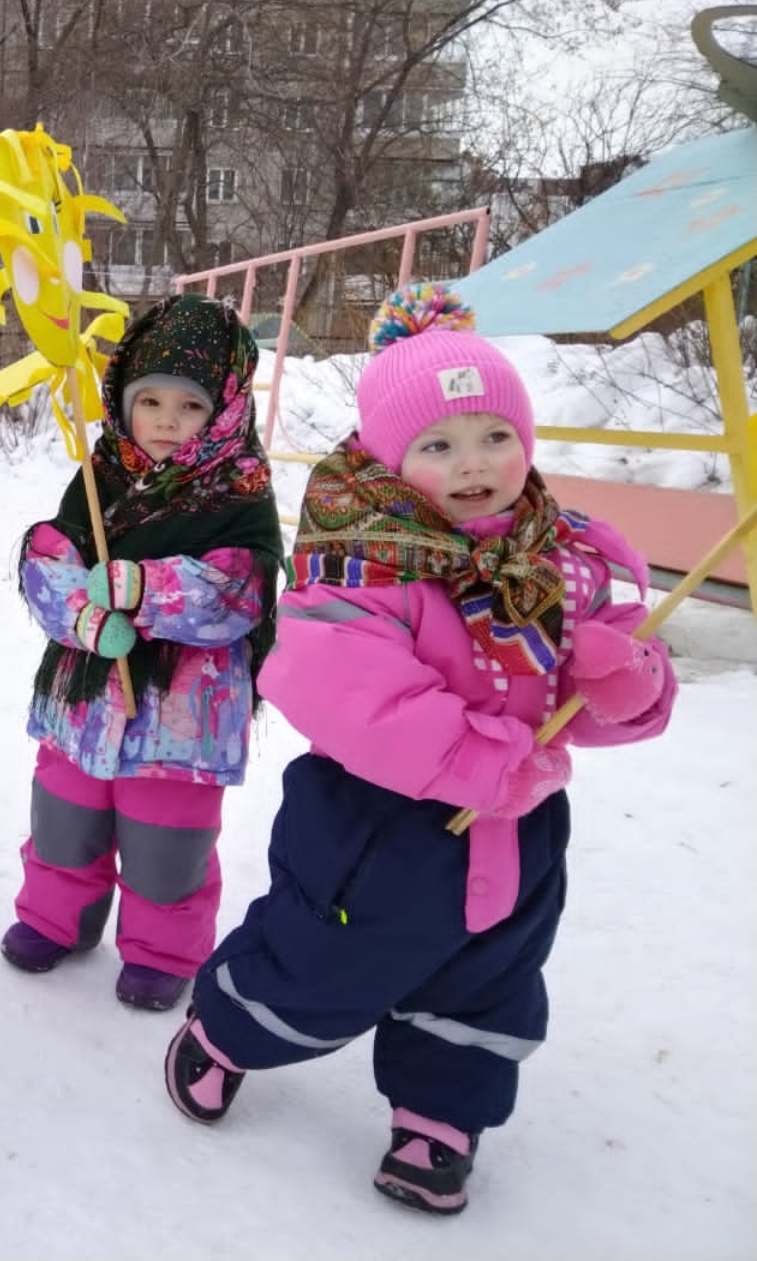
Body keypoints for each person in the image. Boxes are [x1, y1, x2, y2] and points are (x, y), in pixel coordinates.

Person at [164, 284, 677, 1215]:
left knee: (488, 978)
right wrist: (478, 758)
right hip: (374, 827)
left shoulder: (571, 560)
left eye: (495, 437)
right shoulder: (363, 559)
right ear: (394, 461)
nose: (473, 464)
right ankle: (232, 1027)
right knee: (318, 963)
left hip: (517, 828)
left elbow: (608, 701)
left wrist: (625, 682)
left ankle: (439, 1116)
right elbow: (341, 686)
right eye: (438, 446)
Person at [0, 294, 283, 1012]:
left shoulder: (239, 488)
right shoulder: (100, 476)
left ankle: (161, 951)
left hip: (181, 721)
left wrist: (143, 587)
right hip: (84, 705)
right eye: (147, 400)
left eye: (188, 406)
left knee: (167, 851)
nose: (163, 420)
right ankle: (53, 919)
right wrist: (85, 621)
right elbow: (48, 560)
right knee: (64, 824)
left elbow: (238, 592)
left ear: (223, 409)